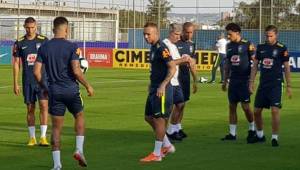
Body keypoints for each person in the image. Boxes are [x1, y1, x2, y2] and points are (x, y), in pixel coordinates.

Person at [34, 16, 94, 170]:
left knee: (56, 128)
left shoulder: (44, 47)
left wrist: (45, 88)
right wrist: (88, 86)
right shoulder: (72, 47)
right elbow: (76, 71)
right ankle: (79, 149)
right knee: (79, 116)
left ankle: (57, 165)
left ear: (53, 29)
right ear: (66, 30)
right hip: (71, 90)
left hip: (54, 91)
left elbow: (36, 73)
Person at [140, 22, 193, 162]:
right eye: (144, 34)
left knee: (159, 119)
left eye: (148, 34)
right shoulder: (153, 47)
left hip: (162, 89)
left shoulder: (161, 48)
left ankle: (157, 154)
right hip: (154, 87)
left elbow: (172, 68)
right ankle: (167, 145)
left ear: (156, 34)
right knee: (148, 117)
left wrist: (163, 85)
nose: (146, 37)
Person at [249, 25, 292, 147]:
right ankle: (260, 136)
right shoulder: (261, 47)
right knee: (256, 111)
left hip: (276, 84)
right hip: (263, 84)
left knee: (274, 110)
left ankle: (274, 138)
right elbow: (255, 65)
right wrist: (251, 82)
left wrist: (289, 85)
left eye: (271, 36)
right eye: (267, 35)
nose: (268, 38)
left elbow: (287, 68)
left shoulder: (281, 48)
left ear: (276, 35)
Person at [13, 17, 49, 146]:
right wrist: (15, 83)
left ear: (36, 26)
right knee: (30, 109)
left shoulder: (44, 41)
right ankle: (32, 138)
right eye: (28, 27)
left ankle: (43, 137)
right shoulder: (19, 43)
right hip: (28, 81)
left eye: (32, 27)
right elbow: (17, 63)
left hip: (42, 81)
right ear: (24, 27)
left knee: (44, 107)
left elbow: (49, 59)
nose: (30, 30)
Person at [221, 23, 256, 143]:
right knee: (232, 106)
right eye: (227, 34)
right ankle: (232, 133)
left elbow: (255, 63)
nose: (228, 36)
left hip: (244, 80)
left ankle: (252, 129)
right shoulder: (229, 46)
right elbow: (227, 64)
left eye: (230, 34)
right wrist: (225, 80)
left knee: (246, 107)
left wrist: (252, 81)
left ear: (237, 33)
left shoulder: (247, 44)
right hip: (233, 81)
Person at [166, 22, 197, 141]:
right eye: (187, 32)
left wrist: (195, 80)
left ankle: (177, 128)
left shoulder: (192, 45)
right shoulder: (174, 43)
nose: (189, 35)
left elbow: (193, 64)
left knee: (182, 104)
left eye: (191, 32)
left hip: (185, 78)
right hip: (174, 78)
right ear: (182, 31)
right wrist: (185, 61)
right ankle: (171, 130)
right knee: (177, 105)